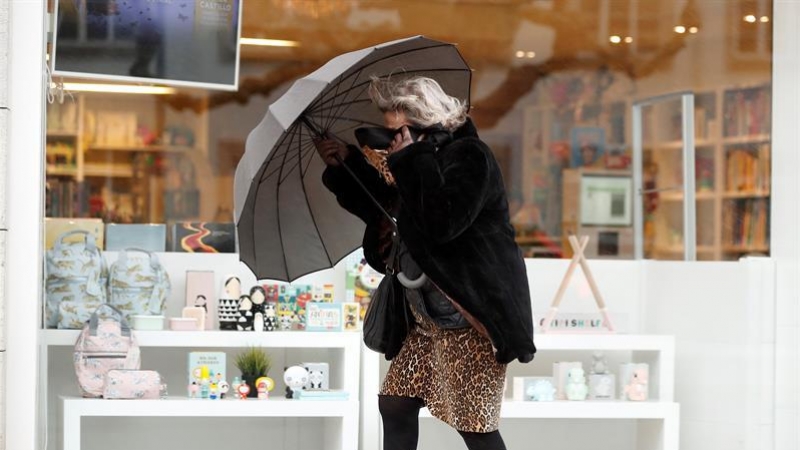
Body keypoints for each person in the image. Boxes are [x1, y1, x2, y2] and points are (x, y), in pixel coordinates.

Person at [315, 76, 536, 450]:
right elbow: (388, 211)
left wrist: (410, 160)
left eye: (398, 130)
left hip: (469, 317)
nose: (391, 141)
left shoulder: (470, 157)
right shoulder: (412, 161)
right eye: (389, 132)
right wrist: (345, 165)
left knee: (475, 425)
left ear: (426, 124)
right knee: (395, 404)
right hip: (424, 317)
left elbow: (442, 223)